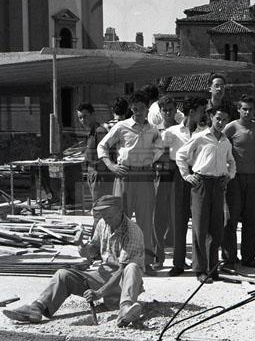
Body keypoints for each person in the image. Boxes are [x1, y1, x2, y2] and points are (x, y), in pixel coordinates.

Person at [3, 195, 145, 327]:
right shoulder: (103, 223)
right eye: (103, 215)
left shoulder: (132, 231)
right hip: (104, 275)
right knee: (63, 275)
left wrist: (99, 293)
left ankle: (125, 308)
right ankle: (37, 308)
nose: (106, 219)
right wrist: (82, 246)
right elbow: (94, 250)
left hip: (124, 281)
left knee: (132, 267)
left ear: (120, 210)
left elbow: (121, 270)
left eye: (109, 215)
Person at [97, 90, 163, 269]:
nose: (138, 112)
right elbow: (102, 146)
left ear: (147, 108)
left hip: (145, 178)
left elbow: (160, 148)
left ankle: (145, 262)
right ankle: (118, 261)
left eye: (141, 108)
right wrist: (111, 165)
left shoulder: (153, 129)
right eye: (134, 109)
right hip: (125, 177)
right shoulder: (121, 127)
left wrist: (150, 160)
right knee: (120, 220)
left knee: (145, 222)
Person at [176, 104, 235, 282]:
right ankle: (200, 269)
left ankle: (213, 267)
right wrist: (186, 175)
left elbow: (231, 161)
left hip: (218, 184)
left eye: (224, 120)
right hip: (201, 183)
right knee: (200, 228)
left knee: (216, 228)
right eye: (218, 118)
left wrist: (230, 176)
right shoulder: (200, 137)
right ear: (211, 118)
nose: (220, 122)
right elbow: (180, 155)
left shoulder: (225, 141)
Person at [161, 96, 207, 276]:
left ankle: (199, 265)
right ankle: (178, 263)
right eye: (201, 111)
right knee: (178, 220)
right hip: (178, 176)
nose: (203, 115)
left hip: (198, 175)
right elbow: (160, 152)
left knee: (199, 221)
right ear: (192, 112)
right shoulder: (171, 132)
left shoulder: (204, 132)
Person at [222, 96, 255, 268]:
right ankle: (229, 258)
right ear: (239, 109)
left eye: (251, 109)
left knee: (251, 220)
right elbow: (219, 144)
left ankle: (248, 258)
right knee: (231, 220)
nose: (248, 112)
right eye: (244, 109)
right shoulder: (231, 127)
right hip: (235, 178)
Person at [151, 95, 179, 269]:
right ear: (160, 112)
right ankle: (158, 257)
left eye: (170, 109)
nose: (168, 113)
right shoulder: (154, 131)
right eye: (165, 110)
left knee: (177, 217)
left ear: (176, 110)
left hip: (178, 175)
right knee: (158, 217)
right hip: (160, 174)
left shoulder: (182, 130)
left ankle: (179, 258)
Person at [76, 102, 109, 202]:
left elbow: (105, 154)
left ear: (93, 114)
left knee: (100, 205)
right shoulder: (91, 132)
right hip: (93, 173)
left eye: (85, 116)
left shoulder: (100, 131)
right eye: (80, 118)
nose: (83, 120)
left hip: (99, 175)